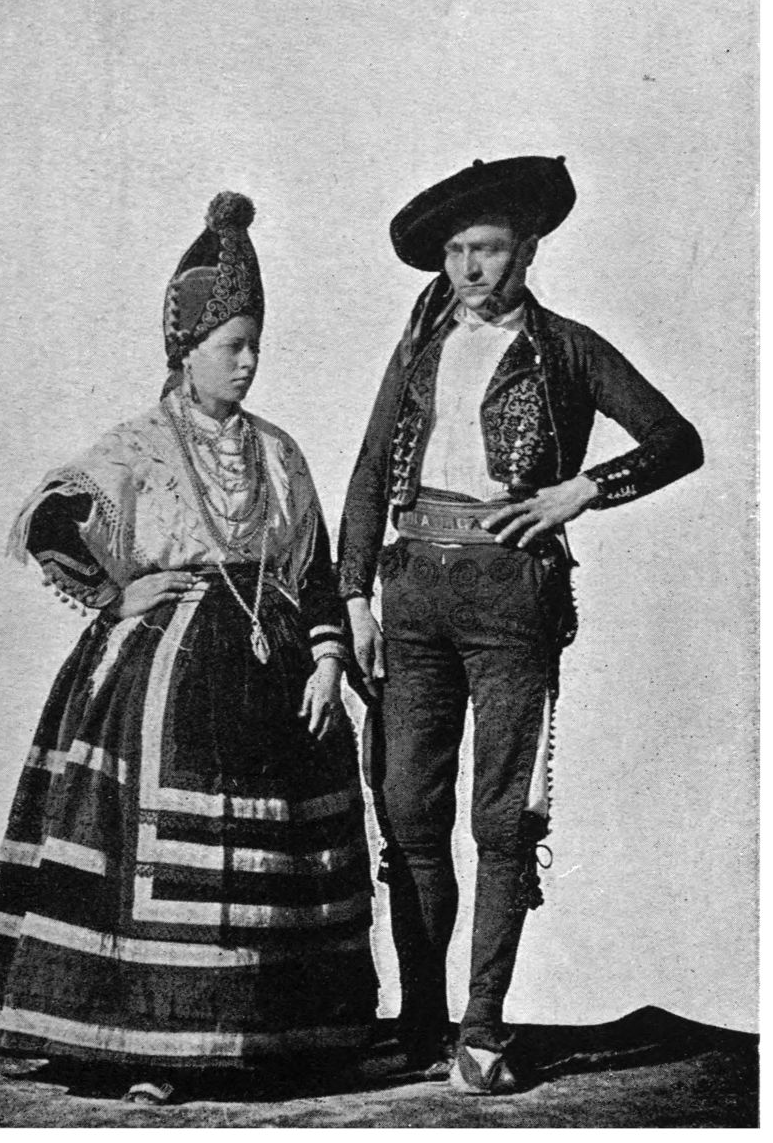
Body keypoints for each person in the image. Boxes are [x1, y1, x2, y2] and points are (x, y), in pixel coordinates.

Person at [0, 192, 377, 1104]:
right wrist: (115, 594)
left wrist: (328, 660)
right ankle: (151, 1044)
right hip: (167, 670)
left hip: (277, 667)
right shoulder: (139, 445)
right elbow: (52, 517)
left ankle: (275, 1039)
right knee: (157, 846)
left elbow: (312, 570)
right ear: (187, 351)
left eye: (256, 345)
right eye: (233, 346)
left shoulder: (279, 453)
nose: (248, 363)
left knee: (278, 858)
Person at [337, 155, 703, 1095]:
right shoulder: (416, 348)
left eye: (489, 249)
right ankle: (421, 1026)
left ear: (528, 250)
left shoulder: (567, 348)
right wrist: (355, 599)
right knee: (408, 812)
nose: (469, 267)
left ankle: (482, 1031)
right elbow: (372, 471)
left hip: (512, 600)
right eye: (456, 250)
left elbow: (677, 441)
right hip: (411, 593)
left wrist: (583, 490)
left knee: (502, 818)